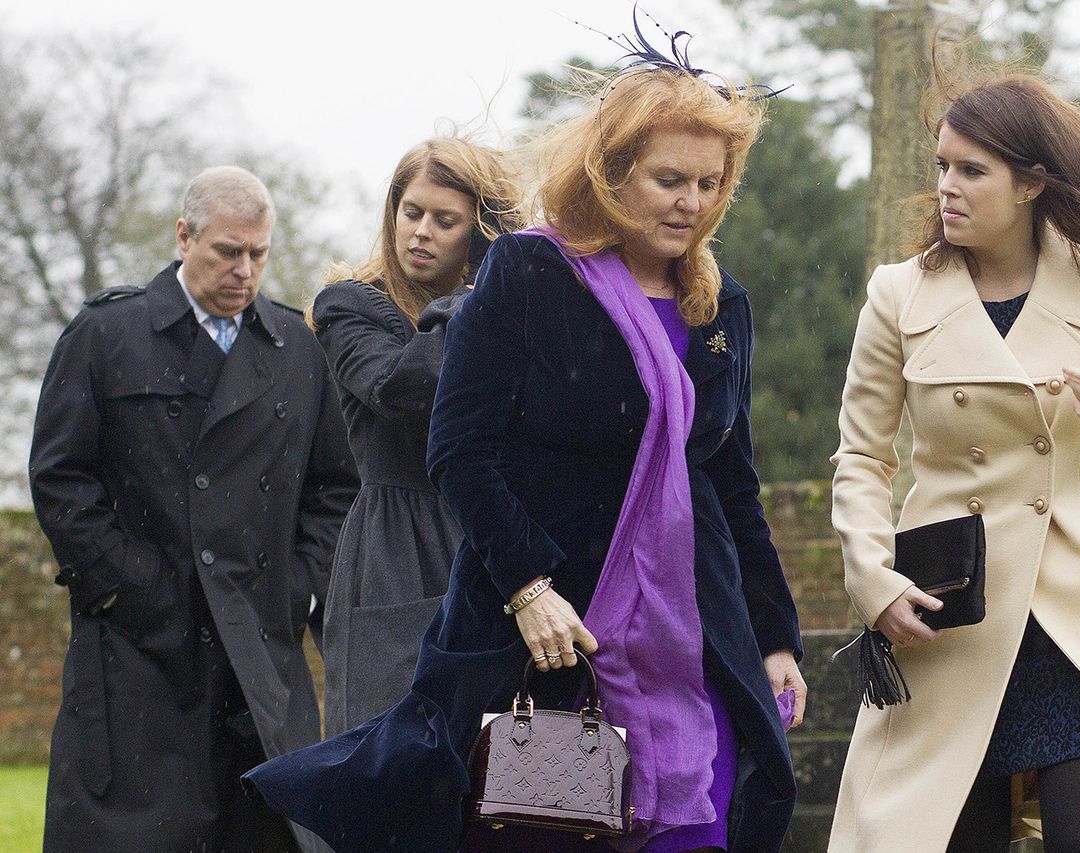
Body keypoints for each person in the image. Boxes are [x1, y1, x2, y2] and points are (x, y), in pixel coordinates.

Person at [245, 39, 808, 853]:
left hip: (692, 639)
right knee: (548, 832)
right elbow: (459, 447)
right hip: (552, 639)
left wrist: (775, 634)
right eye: (669, 179)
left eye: (709, 183)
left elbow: (728, 479)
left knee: (702, 830)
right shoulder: (531, 272)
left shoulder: (719, 306)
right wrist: (528, 585)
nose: (691, 201)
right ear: (613, 174)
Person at [826, 64, 1080, 853]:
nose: (947, 185)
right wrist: (871, 579)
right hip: (956, 614)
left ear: (1030, 184)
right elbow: (862, 459)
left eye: (972, 170)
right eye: (943, 165)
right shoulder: (898, 295)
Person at [30, 166, 359, 853]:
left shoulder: (298, 350)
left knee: (263, 834)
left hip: (258, 653)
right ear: (184, 237)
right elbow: (61, 477)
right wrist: (127, 586)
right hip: (138, 650)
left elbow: (336, 488)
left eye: (258, 254)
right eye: (227, 251)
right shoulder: (106, 335)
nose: (245, 270)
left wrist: (295, 586)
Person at [309, 137, 522, 734]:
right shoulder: (350, 306)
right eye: (412, 212)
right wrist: (479, 300)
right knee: (390, 754)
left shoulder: (513, 310)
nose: (421, 232)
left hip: (492, 534)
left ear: (479, 233)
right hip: (394, 548)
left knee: (496, 759)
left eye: (444, 220)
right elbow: (403, 388)